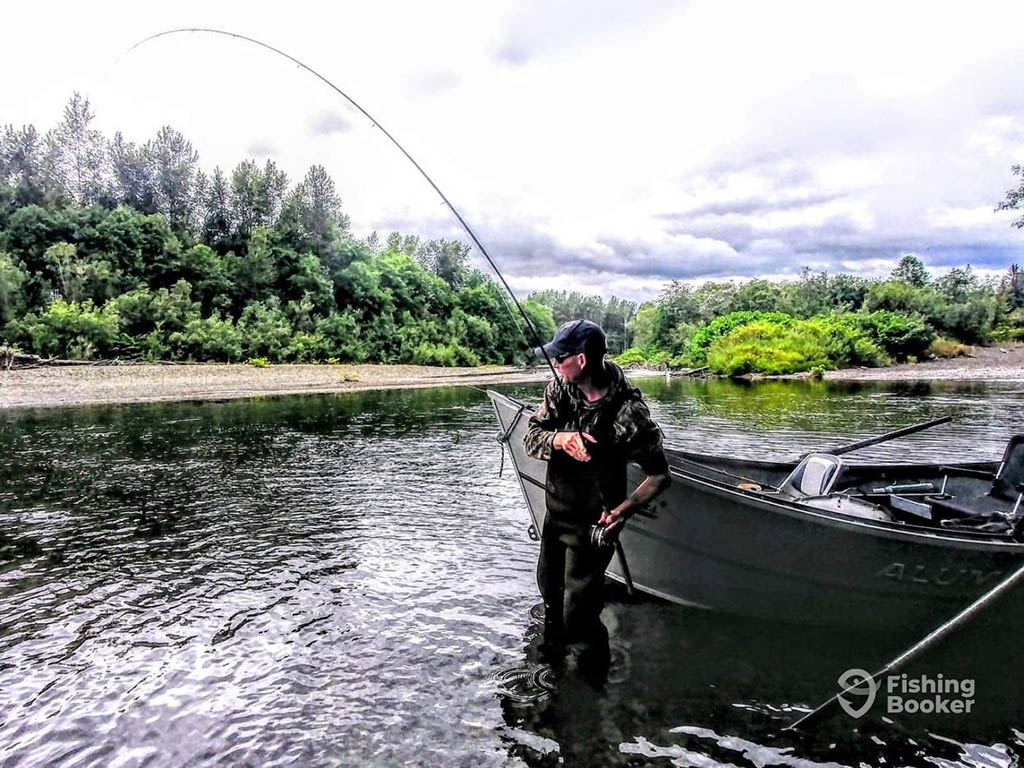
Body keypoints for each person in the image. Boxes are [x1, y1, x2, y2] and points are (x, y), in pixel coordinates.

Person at [523, 319, 671, 667]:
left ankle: (592, 690)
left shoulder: (629, 414)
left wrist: (624, 510)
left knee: (580, 614)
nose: (556, 364)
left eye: (561, 358)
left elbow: (660, 475)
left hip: (595, 524)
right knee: (550, 593)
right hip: (556, 516)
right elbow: (532, 436)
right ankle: (553, 667)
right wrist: (561, 439)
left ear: (583, 360)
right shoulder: (560, 388)